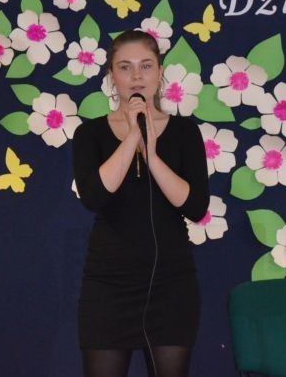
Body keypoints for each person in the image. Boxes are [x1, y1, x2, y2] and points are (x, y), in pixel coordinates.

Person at [72, 30, 209, 377]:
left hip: (171, 284)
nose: (136, 76)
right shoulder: (89, 134)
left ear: (160, 73)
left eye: (146, 66)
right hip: (108, 284)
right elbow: (94, 197)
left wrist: (151, 153)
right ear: (111, 76)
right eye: (125, 67)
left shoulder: (185, 132)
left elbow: (195, 208)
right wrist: (132, 134)